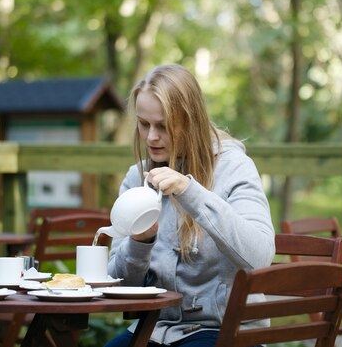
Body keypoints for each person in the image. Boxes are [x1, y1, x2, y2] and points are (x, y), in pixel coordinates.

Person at [104, 63, 275, 347]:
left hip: (225, 330)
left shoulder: (234, 168)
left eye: (163, 126)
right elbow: (119, 285)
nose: (151, 137)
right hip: (156, 329)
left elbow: (259, 257)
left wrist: (190, 191)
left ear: (191, 122)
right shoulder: (137, 178)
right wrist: (139, 243)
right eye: (144, 124)